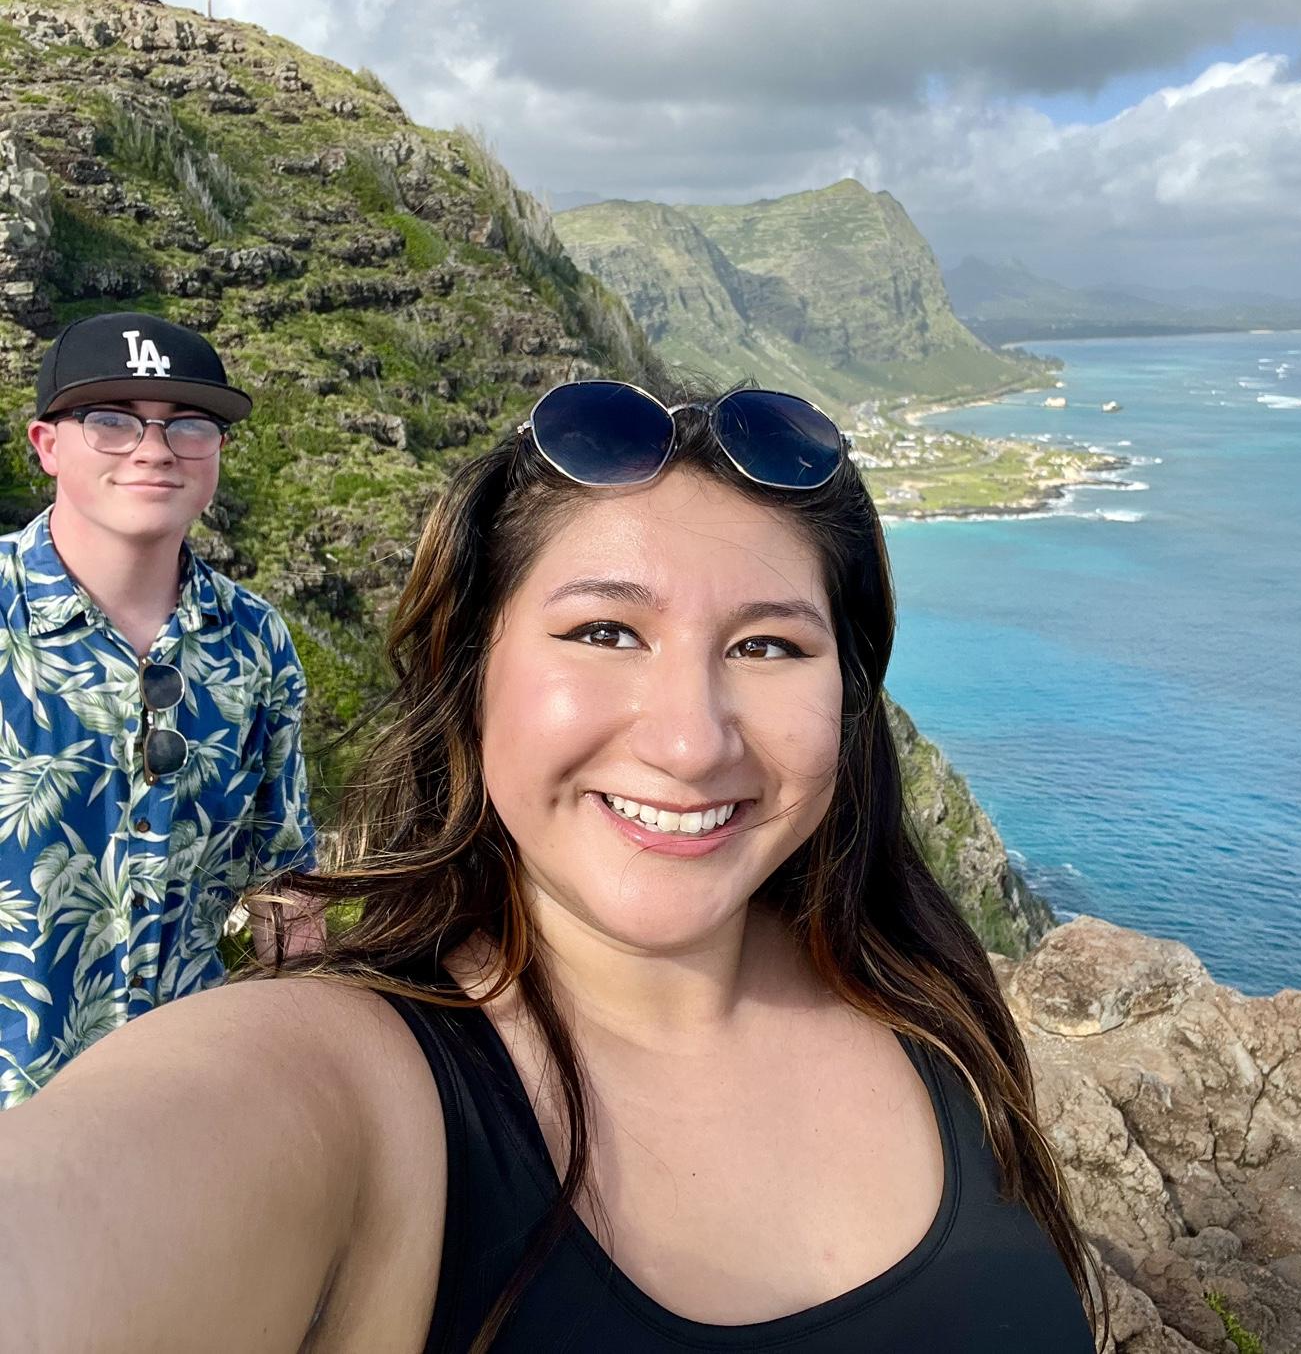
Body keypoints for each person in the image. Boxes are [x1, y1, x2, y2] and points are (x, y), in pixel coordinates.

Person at [0, 379, 1108, 1351]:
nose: (691, 741)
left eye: (767, 646)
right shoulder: (347, 1087)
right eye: (604, 632)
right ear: (471, 674)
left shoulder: (927, 1003)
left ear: (848, 701)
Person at [0, 311, 320, 1108]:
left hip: (181, 1118)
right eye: (110, 421)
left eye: (189, 425)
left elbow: (284, 884)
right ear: (47, 445)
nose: (153, 449)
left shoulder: (255, 642)